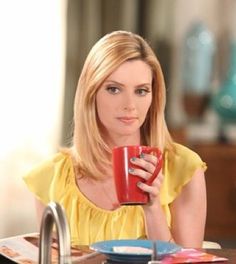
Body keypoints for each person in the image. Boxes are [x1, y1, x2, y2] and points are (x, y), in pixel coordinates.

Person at [23, 30, 207, 248]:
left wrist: (153, 208)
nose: (129, 105)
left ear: (153, 97)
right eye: (114, 89)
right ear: (90, 94)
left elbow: (186, 263)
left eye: (141, 91)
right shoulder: (51, 178)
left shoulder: (183, 169)